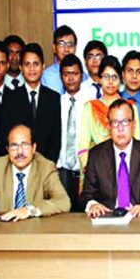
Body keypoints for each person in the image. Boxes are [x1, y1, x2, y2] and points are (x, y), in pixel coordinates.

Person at [0, 124, 72, 221]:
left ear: (34, 148)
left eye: (25, 145)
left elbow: (63, 201)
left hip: (36, 234)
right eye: (14, 146)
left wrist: (30, 210)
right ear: (7, 149)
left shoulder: (45, 167)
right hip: (5, 233)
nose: (19, 152)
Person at [81, 100, 140, 218]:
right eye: (115, 123)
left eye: (125, 122)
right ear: (109, 127)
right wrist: (92, 204)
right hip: (106, 221)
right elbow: (86, 195)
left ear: (134, 124)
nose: (120, 128)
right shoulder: (96, 155)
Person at [0, 43, 62, 164]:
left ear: (43, 66)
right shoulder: (10, 97)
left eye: (36, 64)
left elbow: (56, 139)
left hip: (46, 167)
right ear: (21, 68)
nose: (32, 69)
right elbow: (6, 135)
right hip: (18, 164)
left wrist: (46, 167)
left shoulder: (53, 98)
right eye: (27, 64)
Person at [77, 56, 140, 169]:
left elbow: (137, 143)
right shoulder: (90, 108)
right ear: (99, 79)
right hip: (96, 169)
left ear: (120, 79)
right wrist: (93, 170)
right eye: (106, 76)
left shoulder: (130, 107)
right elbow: (83, 146)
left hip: (125, 167)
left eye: (114, 77)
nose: (110, 82)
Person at [56, 54, 88, 211]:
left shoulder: (91, 103)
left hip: (84, 171)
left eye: (74, 74)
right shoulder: (55, 102)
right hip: (61, 171)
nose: (70, 79)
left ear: (81, 75)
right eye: (66, 74)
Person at [41, 25, 88, 93]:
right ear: (54, 48)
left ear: (75, 48)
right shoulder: (46, 76)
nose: (66, 49)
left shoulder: (83, 76)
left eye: (70, 44)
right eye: (61, 44)